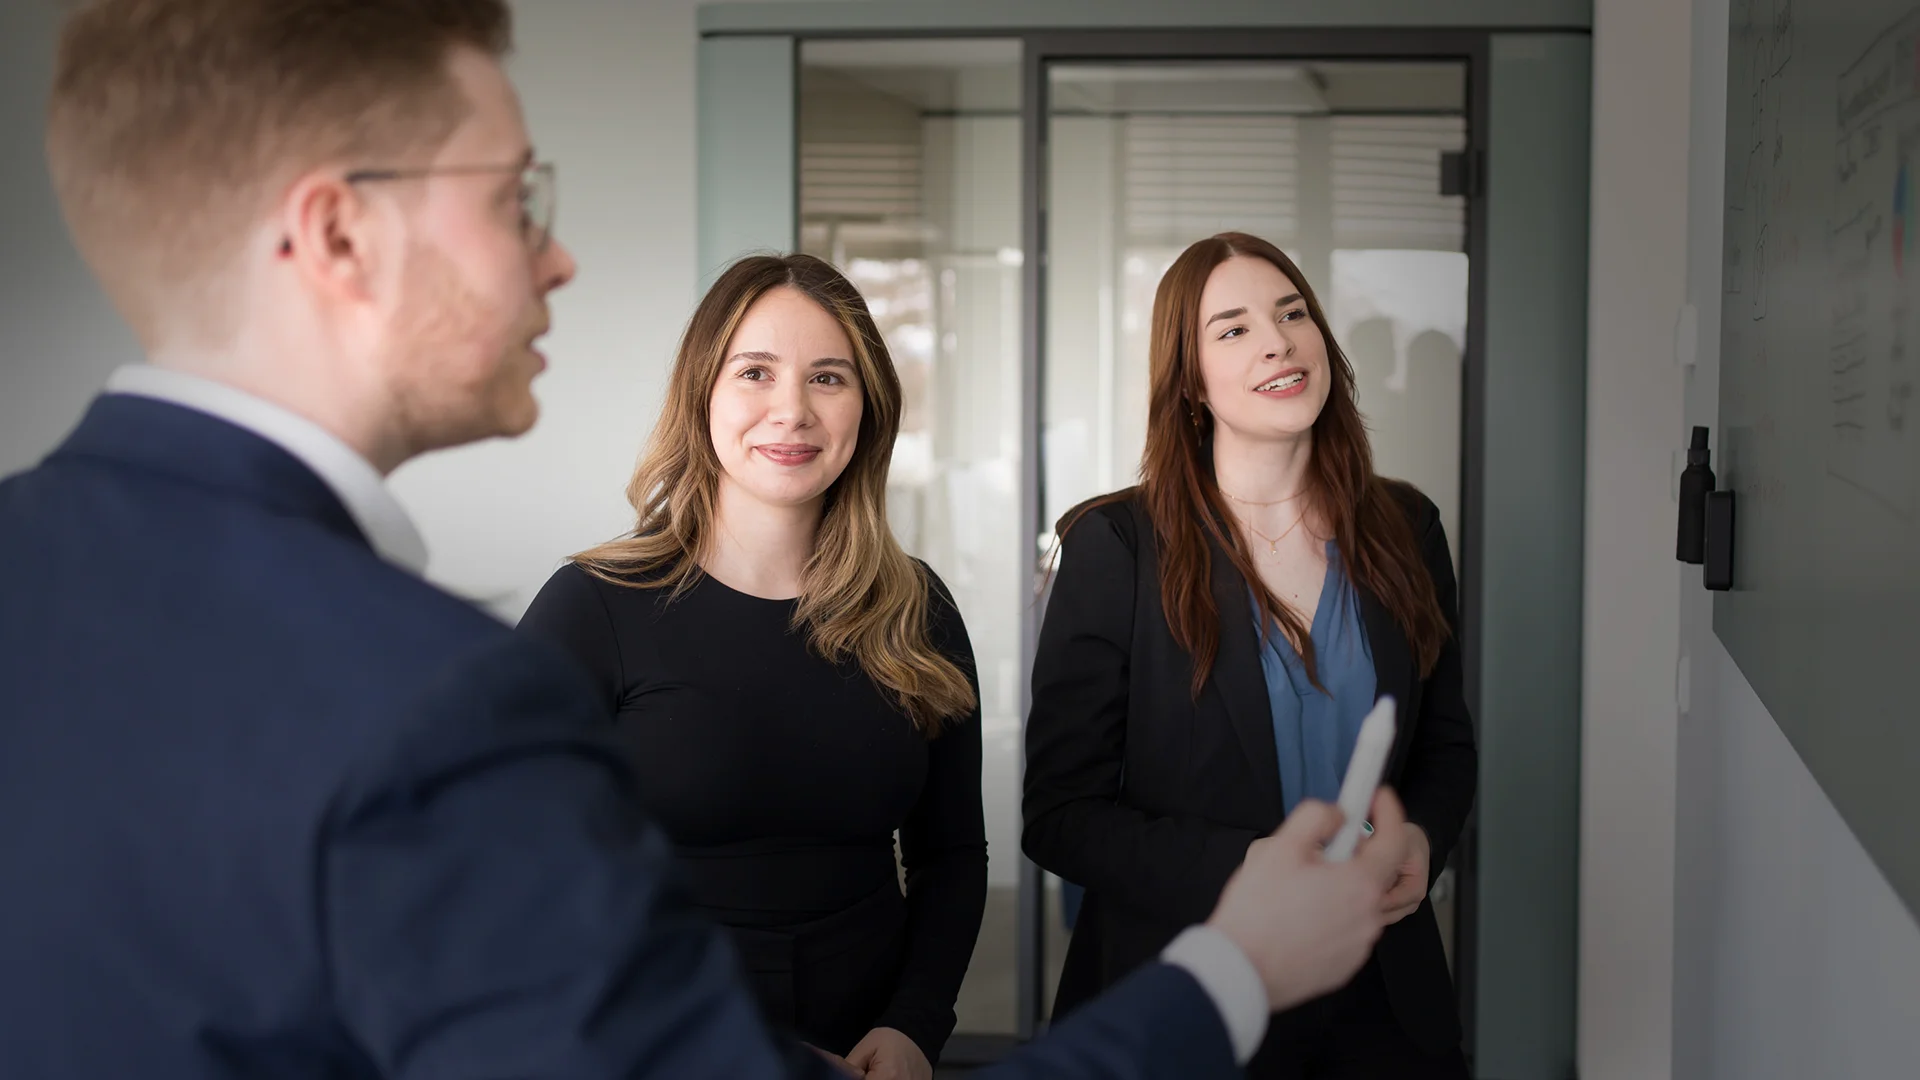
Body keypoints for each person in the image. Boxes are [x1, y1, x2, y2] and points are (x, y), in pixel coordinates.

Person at [0, 4, 1410, 1078]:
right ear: (339, 235)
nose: (555, 258)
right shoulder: (441, 693)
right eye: (516, 201)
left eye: (829, 377)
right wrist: (1238, 966)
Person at [517, 254, 987, 1079]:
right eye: (756, 373)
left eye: (828, 378)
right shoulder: (592, 606)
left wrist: (916, 1026)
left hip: (869, 1054)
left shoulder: (917, 606)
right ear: (703, 394)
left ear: (868, 409)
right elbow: (514, 871)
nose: (792, 411)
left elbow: (951, 856)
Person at [1023, 231, 1478, 1079]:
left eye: (1292, 313)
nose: (1277, 340)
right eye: (1232, 328)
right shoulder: (1116, 546)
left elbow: (1445, 744)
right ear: (1190, 381)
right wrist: (1251, 865)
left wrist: (1419, 836)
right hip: (1189, 998)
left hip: (1382, 999)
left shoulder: (1406, 530)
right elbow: (1060, 815)